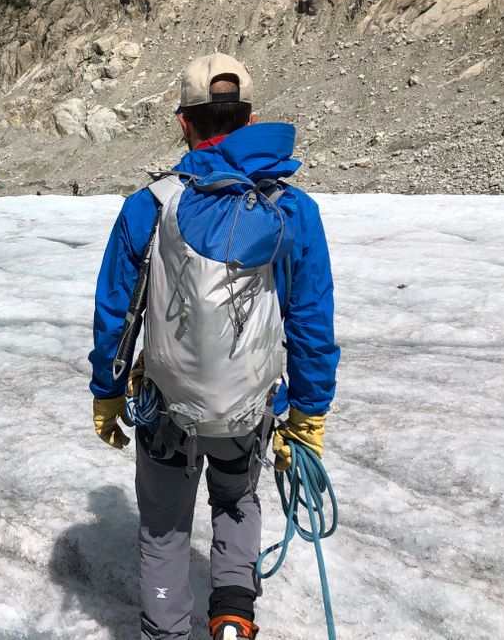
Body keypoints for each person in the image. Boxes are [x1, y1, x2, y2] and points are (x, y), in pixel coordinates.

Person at [88, 54, 339, 640]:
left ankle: (166, 631)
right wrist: (307, 413)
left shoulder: (149, 204)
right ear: (249, 120)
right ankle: (232, 619)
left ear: (184, 123)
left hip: (166, 406)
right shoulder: (293, 209)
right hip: (246, 410)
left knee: (165, 529)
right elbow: (310, 320)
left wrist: (105, 391)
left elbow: (115, 312)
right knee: (236, 503)